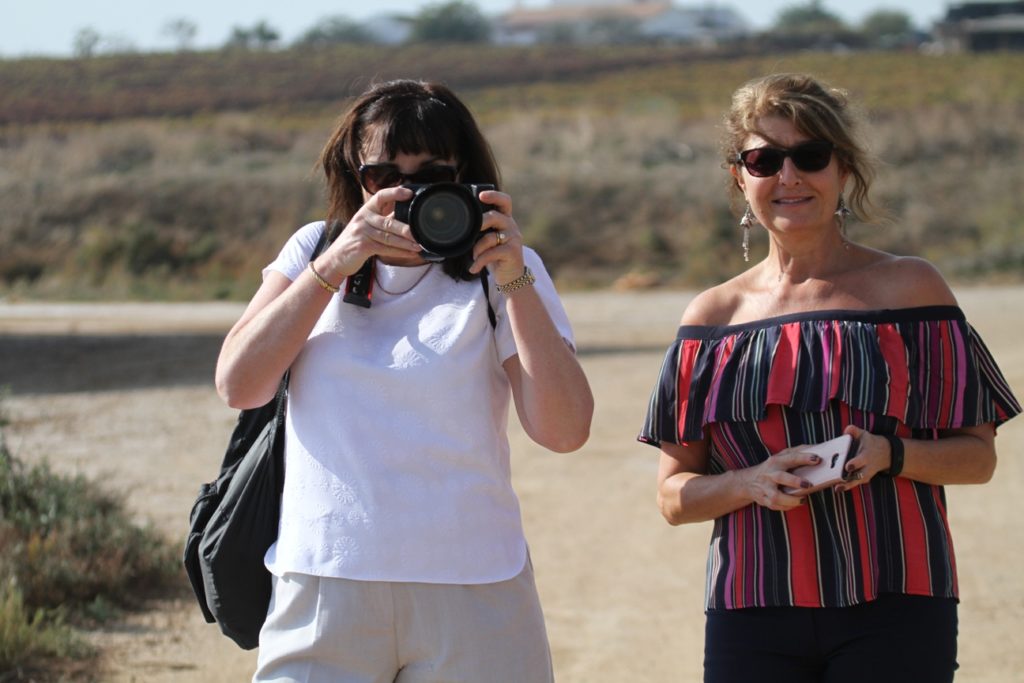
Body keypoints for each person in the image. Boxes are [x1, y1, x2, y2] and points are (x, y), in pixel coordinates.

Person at [638, 72, 1020, 683]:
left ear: (842, 170)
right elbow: (673, 496)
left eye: (809, 156)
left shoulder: (912, 290)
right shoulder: (711, 318)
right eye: (765, 159)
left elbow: (978, 459)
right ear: (740, 177)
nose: (788, 177)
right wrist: (751, 481)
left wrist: (890, 453)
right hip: (752, 606)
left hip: (899, 600)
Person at [215, 79, 593, 682]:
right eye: (382, 174)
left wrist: (514, 278)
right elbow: (240, 385)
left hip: (473, 583)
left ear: (466, 177)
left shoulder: (501, 271)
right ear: (356, 177)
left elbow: (565, 429)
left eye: (430, 174)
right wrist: (337, 262)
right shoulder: (315, 249)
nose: (404, 191)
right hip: (324, 579)